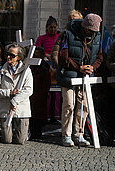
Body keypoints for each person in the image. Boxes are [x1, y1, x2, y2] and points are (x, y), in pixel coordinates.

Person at [57, 13, 103, 147]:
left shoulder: (97, 36)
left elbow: (100, 56)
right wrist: (79, 67)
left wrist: (92, 68)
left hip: (86, 76)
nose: (92, 33)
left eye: (95, 31)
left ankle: (79, 134)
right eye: (90, 30)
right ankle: (66, 134)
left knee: (84, 106)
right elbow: (63, 56)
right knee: (69, 105)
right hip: (68, 75)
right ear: (84, 27)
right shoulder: (68, 34)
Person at [0, 43, 33, 145]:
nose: (8, 57)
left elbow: (28, 90)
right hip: (5, 108)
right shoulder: (0, 71)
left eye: (12, 55)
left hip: (21, 108)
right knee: (7, 140)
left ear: (18, 57)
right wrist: (8, 93)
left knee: (20, 141)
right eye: (7, 54)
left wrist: (14, 101)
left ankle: (25, 131)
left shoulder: (26, 71)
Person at [29, 47, 51, 139]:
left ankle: (37, 132)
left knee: (38, 115)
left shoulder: (44, 68)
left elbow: (46, 84)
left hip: (40, 95)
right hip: (30, 94)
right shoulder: (29, 66)